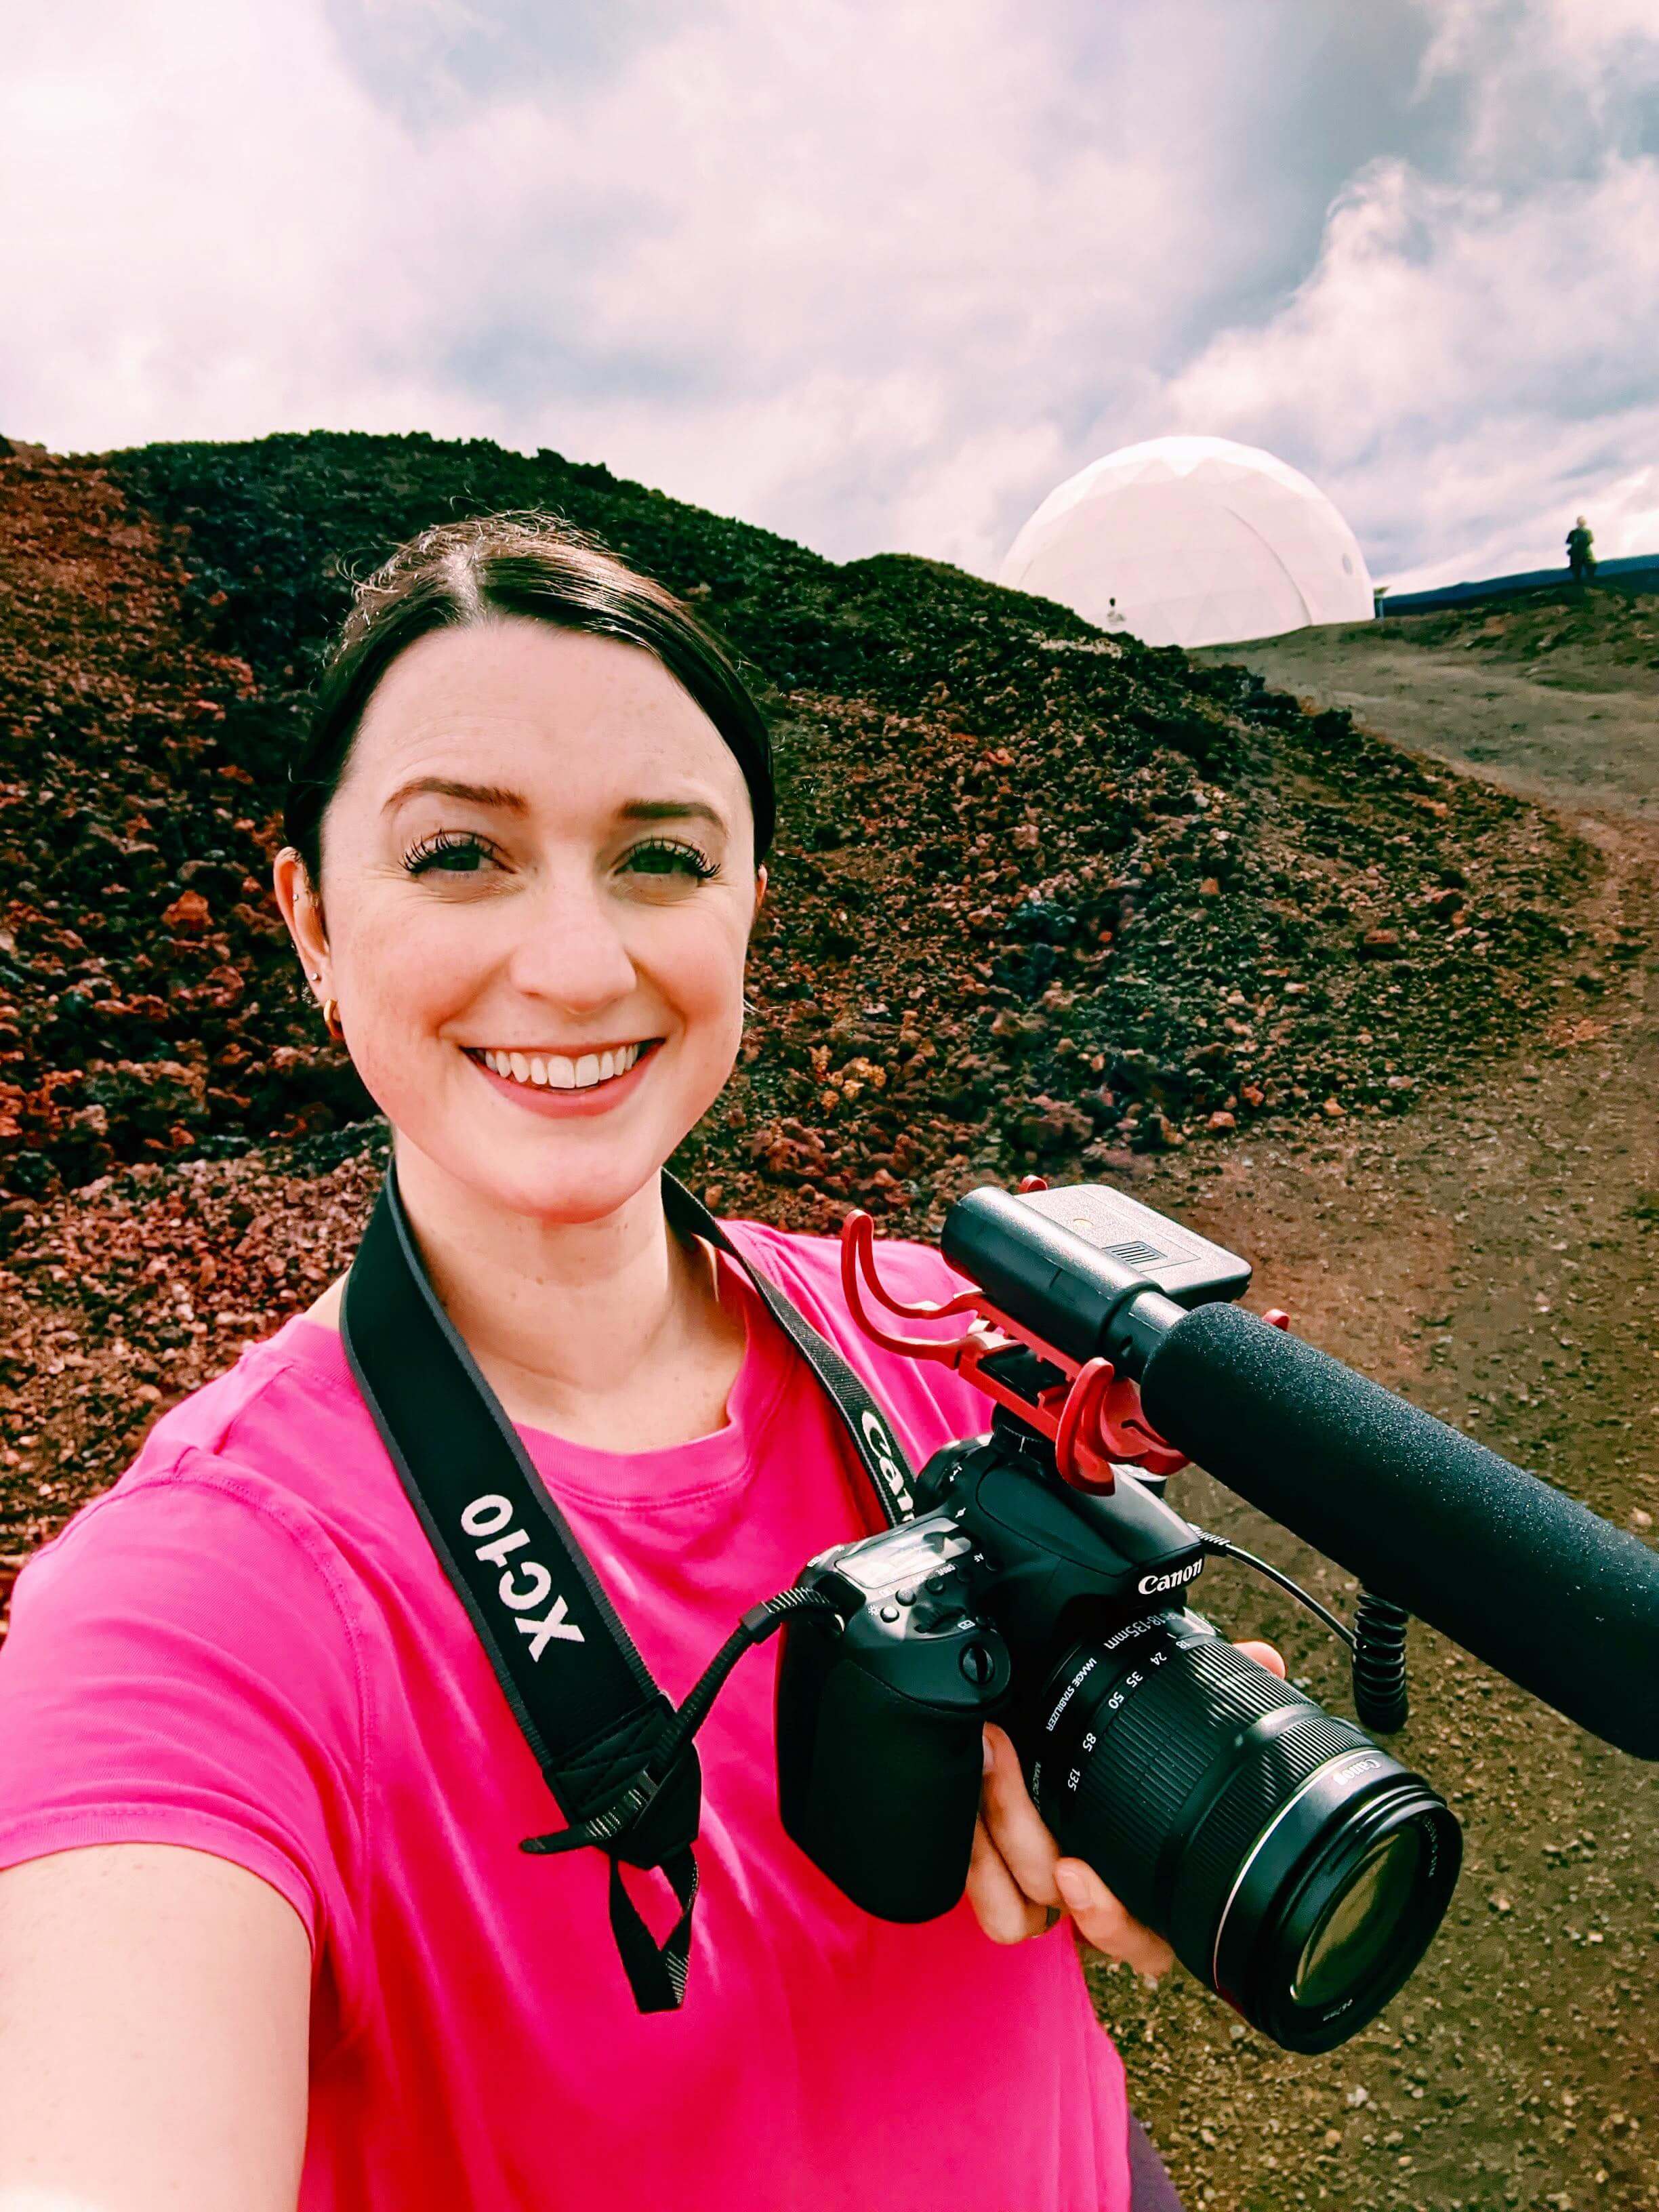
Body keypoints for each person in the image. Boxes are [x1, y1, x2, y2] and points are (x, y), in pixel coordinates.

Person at [0, 512, 1284, 2211]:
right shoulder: (198, 1597)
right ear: (309, 918)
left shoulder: (929, 1338)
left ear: (752, 899)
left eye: (662, 858)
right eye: (458, 854)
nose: (577, 962)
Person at [1566, 514, 1596, 583]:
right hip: (1579, 555)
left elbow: (1590, 541)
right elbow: (1569, 541)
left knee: (1588, 569)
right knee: (1578, 571)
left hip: (1583, 555)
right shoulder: (1574, 532)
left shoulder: (1587, 532)